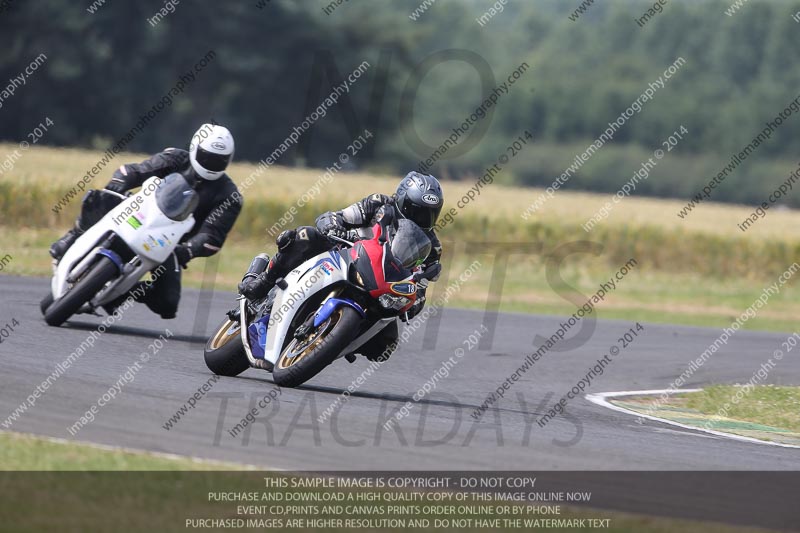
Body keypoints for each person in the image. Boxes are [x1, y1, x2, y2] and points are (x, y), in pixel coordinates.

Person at [238, 171, 444, 361]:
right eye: (416, 211)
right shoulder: (379, 204)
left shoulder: (432, 247)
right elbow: (340, 216)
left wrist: (414, 302)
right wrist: (332, 226)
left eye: (429, 214)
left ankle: (337, 339)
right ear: (402, 200)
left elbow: (421, 287)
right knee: (303, 237)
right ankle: (263, 282)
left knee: (385, 348)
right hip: (345, 254)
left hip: (380, 286)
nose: (422, 219)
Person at [49, 124, 243, 319]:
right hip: (139, 214)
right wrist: (120, 182)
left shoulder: (229, 195)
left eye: (219, 160)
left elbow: (212, 235)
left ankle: (126, 291)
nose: (211, 163)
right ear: (195, 148)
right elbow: (139, 170)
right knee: (100, 198)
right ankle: (73, 235)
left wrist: (188, 250)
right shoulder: (175, 158)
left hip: (168, 243)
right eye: (207, 156)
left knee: (168, 304)